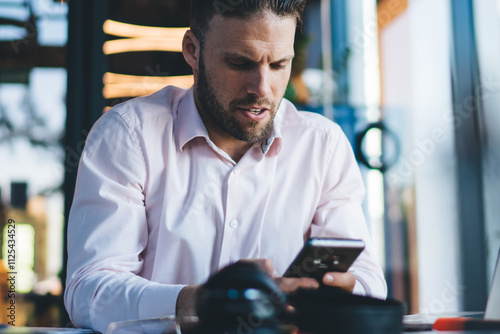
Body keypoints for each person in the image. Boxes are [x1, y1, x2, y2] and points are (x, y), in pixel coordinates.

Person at [64, 0, 387, 332]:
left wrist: (340, 290)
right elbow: (90, 291)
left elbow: (368, 280)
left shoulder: (323, 145)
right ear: (192, 50)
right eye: (239, 62)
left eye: (278, 64)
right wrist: (200, 301)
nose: (262, 88)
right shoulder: (129, 135)